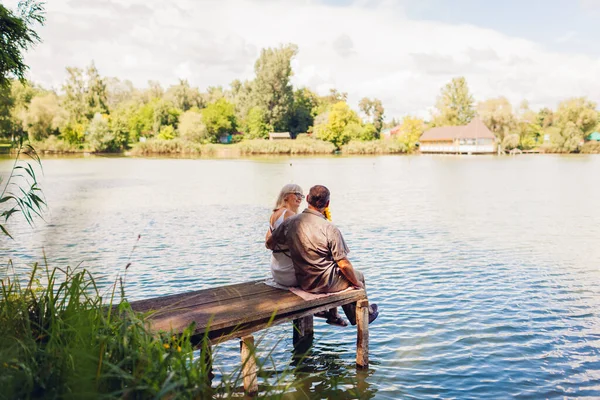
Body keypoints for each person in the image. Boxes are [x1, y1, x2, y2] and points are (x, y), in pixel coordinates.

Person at [266, 185, 379, 325]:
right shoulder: (330, 228)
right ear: (327, 204)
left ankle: (343, 315)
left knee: (342, 271)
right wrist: (357, 283)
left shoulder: (290, 222)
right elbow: (343, 264)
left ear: (307, 199)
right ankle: (362, 316)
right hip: (324, 283)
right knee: (358, 276)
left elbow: (270, 244)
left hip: (304, 282)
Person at [266, 184, 305, 287]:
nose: (300, 197)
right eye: (297, 194)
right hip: (291, 274)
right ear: (285, 196)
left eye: (301, 195)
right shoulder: (290, 215)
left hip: (277, 272)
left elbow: (267, 244)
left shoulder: (274, 215)